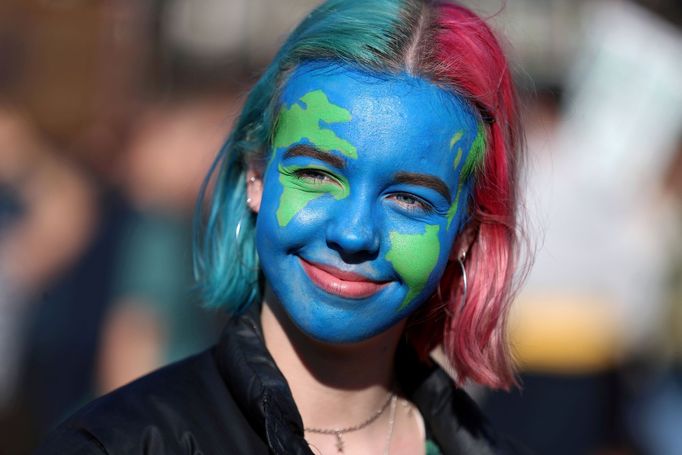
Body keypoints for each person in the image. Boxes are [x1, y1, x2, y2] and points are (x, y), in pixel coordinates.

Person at [36, 0, 527, 453]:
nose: (354, 234)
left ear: (466, 233)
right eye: (317, 174)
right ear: (256, 176)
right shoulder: (114, 445)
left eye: (408, 199)